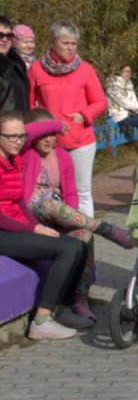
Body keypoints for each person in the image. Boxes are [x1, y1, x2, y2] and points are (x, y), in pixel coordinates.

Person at [21, 108, 132, 320]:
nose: (48, 139)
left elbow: (70, 194)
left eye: (52, 134)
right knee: (50, 204)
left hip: (58, 214)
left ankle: (80, 299)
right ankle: (107, 229)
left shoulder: (61, 156)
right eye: (44, 133)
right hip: (32, 212)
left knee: (84, 235)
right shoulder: (26, 154)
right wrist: (55, 125)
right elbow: (25, 134)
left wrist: (70, 224)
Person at [0, 111, 91, 340]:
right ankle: (41, 320)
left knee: (78, 245)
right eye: (12, 137)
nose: (19, 141)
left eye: (21, 137)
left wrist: (38, 228)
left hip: (16, 229)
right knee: (66, 249)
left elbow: (19, 203)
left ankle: (63, 308)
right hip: (2, 233)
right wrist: (35, 229)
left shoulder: (13, 160)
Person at [26, 21, 107, 217]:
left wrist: (84, 115)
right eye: (65, 43)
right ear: (53, 42)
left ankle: (85, 238)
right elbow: (28, 107)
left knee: (82, 191)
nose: (70, 47)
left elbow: (100, 102)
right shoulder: (36, 69)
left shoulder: (85, 69)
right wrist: (39, 127)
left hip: (80, 141)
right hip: (48, 142)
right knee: (51, 190)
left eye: (74, 43)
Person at [104, 65, 138, 152]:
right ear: (119, 71)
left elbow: (134, 100)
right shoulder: (113, 85)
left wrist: (137, 108)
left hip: (131, 112)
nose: (127, 73)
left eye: (129, 71)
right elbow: (122, 101)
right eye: (125, 71)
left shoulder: (129, 84)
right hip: (120, 115)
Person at [0, 16, 30, 113]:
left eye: (9, 36)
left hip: (20, 125)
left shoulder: (17, 65)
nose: (4, 39)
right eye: (0, 35)